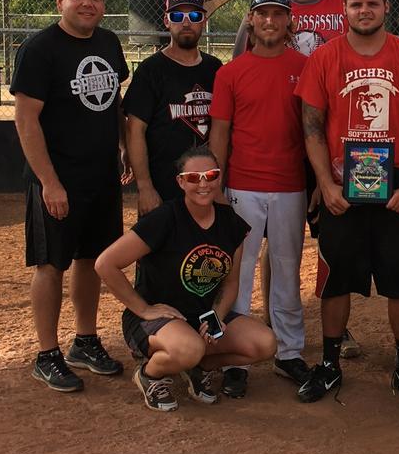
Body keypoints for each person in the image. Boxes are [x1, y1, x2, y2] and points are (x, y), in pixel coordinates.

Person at [295, 0, 399, 405]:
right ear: (345, 10)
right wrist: (325, 184)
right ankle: (329, 364)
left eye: (372, 4)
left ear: (385, 9)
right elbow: (312, 127)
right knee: (336, 278)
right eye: (356, 4)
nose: (363, 11)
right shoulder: (324, 58)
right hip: (343, 181)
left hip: (393, 181)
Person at [233, 0, 361, 360]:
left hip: (325, 140)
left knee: (328, 241)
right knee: (269, 246)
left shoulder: (343, 6)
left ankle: (333, 330)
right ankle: (271, 320)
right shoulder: (259, 11)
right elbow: (241, 74)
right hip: (269, 155)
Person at [10, 0, 130, 392]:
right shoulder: (40, 49)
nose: (88, 4)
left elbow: (112, 102)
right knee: (51, 263)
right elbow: (26, 120)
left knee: (91, 259)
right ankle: (47, 353)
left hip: (101, 176)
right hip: (58, 178)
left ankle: (85, 340)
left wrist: (122, 148)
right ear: (60, 1)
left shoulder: (108, 43)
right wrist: (49, 182)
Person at [94, 146, 276, 411]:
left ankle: (196, 367)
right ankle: (150, 374)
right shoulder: (165, 218)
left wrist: (217, 315)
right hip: (159, 318)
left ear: (219, 177)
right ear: (181, 182)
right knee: (189, 348)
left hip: (200, 315)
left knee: (265, 343)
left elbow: (231, 282)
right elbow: (105, 264)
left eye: (211, 175)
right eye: (193, 177)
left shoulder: (231, 224)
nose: (203, 183)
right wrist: (144, 309)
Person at [210, 0, 311, 396]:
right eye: (262, 13)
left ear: (290, 21)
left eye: (277, 13)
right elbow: (221, 130)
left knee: (287, 270)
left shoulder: (305, 66)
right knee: (240, 272)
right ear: (250, 19)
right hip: (242, 185)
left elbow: (312, 130)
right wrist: (216, 184)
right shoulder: (230, 71)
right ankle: (237, 358)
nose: (269, 20)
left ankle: (289, 353)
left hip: (290, 184)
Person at [123, 0, 222, 216]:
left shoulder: (215, 68)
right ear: (167, 21)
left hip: (204, 187)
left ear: (204, 21)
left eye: (194, 16)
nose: (186, 22)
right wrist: (145, 187)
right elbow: (134, 131)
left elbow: (223, 128)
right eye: (177, 16)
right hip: (163, 188)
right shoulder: (151, 70)